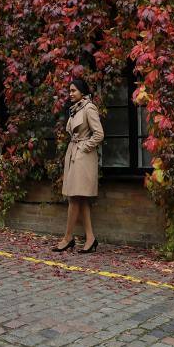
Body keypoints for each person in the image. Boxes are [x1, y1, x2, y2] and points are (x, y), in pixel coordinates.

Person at [52, 78, 104, 254]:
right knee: (79, 199)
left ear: (82, 91)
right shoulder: (76, 109)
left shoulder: (89, 108)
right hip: (74, 154)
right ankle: (90, 238)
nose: (71, 93)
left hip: (83, 156)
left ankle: (68, 238)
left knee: (74, 198)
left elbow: (99, 134)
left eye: (74, 90)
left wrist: (83, 147)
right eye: (70, 90)